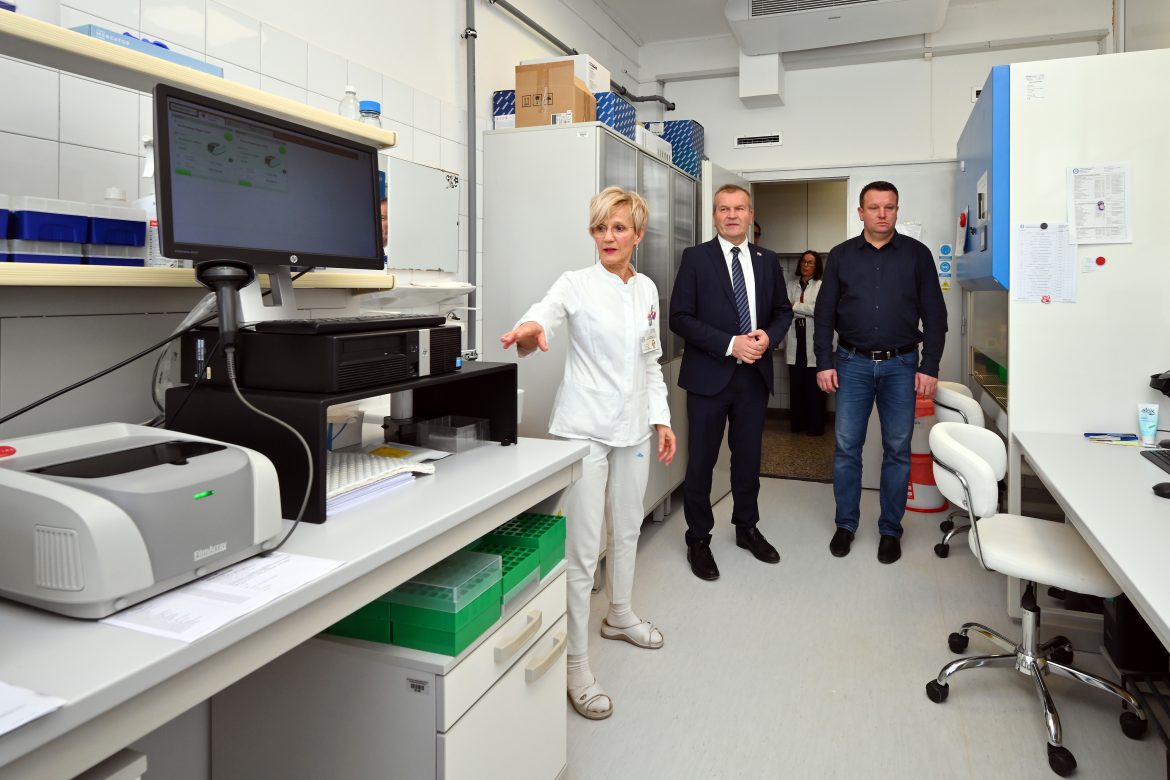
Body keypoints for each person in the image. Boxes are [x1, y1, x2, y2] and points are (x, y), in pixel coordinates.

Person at [499, 186, 676, 721]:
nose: (608, 237)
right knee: (582, 546)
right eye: (601, 227)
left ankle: (619, 614)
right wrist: (529, 332)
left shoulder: (646, 289)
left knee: (627, 528)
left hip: (634, 428)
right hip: (584, 430)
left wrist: (661, 417)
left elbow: (650, 360)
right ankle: (576, 663)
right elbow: (544, 317)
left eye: (619, 228)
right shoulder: (575, 283)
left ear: (638, 234)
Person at [813, 181, 947, 564]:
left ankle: (890, 529)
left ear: (897, 210)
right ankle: (846, 524)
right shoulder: (841, 256)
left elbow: (935, 315)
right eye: (874, 207)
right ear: (861, 212)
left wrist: (929, 366)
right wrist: (824, 361)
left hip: (901, 366)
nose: (882, 214)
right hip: (851, 363)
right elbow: (824, 314)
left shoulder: (917, 255)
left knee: (898, 450)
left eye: (889, 207)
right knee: (846, 449)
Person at [670, 184, 793, 581]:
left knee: (748, 459)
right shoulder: (695, 258)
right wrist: (730, 344)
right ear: (714, 216)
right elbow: (679, 317)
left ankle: (746, 528)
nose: (732, 215)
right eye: (724, 209)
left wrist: (767, 337)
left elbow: (783, 311)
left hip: (753, 378)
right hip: (708, 377)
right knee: (701, 462)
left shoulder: (766, 259)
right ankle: (698, 538)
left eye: (739, 208)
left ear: (750, 213)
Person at [785, 250, 827, 436]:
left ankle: (815, 427)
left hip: (813, 340)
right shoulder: (791, 285)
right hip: (796, 338)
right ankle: (797, 424)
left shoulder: (821, 286)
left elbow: (820, 310)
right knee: (796, 384)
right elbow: (783, 309)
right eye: (803, 261)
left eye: (810, 262)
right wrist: (803, 309)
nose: (806, 265)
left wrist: (795, 306)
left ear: (817, 266)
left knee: (815, 386)